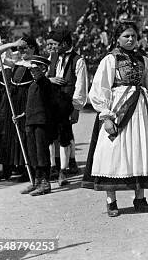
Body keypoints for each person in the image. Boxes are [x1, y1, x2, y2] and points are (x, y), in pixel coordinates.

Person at [82, 21, 148, 217]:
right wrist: (107, 116)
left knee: (139, 150)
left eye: (133, 36)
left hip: (140, 111)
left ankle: (140, 197)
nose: (130, 39)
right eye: (126, 36)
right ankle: (111, 201)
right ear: (117, 38)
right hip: (119, 110)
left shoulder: (144, 59)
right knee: (114, 152)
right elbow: (100, 89)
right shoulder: (111, 60)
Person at [0, 36, 39, 184]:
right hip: (12, 102)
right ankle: (6, 170)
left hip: (27, 102)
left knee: (26, 136)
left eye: (24, 48)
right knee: (9, 135)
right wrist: (13, 44)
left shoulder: (35, 63)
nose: (20, 50)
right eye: (19, 48)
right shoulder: (16, 63)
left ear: (32, 48)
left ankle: (28, 171)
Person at [46, 29, 88, 186]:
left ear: (65, 43)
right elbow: (45, 75)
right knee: (50, 136)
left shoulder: (78, 61)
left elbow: (81, 86)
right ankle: (53, 167)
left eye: (56, 44)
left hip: (66, 104)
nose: (53, 48)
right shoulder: (53, 57)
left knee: (64, 135)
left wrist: (76, 108)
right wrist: (50, 79)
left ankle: (63, 170)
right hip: (52, 103)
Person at [21, 55, 56, 196]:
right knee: (32, 152)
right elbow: (31, 105)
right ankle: (36, 180)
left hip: (41, 123)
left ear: (43, 69)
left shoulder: (45, 84)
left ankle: (45, 183)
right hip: (30, 122)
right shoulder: (32, 85)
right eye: (31, 70)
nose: (32, 72)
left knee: (41, 152)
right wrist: (22, 115)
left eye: (35, 70)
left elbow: (49, 104)